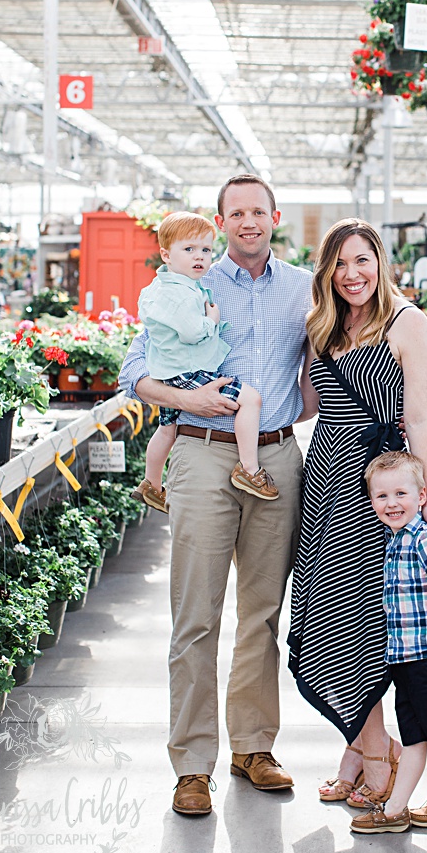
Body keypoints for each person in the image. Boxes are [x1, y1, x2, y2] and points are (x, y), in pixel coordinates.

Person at [118, 175, 313, 816]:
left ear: (274, 217)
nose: (248, 221)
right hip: (201, 451)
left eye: (259, 210)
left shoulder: (303, 287)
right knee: (195, 613)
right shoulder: (188, 281)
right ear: (221, 220)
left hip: (278, 455)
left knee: (262, 611)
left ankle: (253, 747)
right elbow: (134, 373)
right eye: (237, 212)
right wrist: (188, 400)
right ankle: (192, 765)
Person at [288, 218, 427, 812]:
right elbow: (306, 405)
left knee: (364, 626)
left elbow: (423, 420)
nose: (352, 275)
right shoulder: (323, 326)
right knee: (326, 618)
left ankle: (376, 754)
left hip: (376, 493)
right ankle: (361, 747)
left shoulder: (408, 323)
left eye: (363, 261)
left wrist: (426, 500)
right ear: (326, 271)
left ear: (380, 262)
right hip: (325, 481)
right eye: (340, 264)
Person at [347, 451, 427, 835]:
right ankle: (395, 810)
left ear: (422, 497)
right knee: (414, 738)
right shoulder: (394, 540)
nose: (391, 503)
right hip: (405, 662)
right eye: (381, 496)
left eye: (401, 493)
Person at [132, 210, 277, 513]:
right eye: (189, 250)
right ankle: (249, 469)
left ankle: (152, 483)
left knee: (167, 428)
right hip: (188, 371)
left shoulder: (164, 286)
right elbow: (190, 332)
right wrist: (212, 321)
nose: (199, 257)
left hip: (169, 371)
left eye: (206, 250)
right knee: (250, 399)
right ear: (165, 254)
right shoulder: (182, 294)